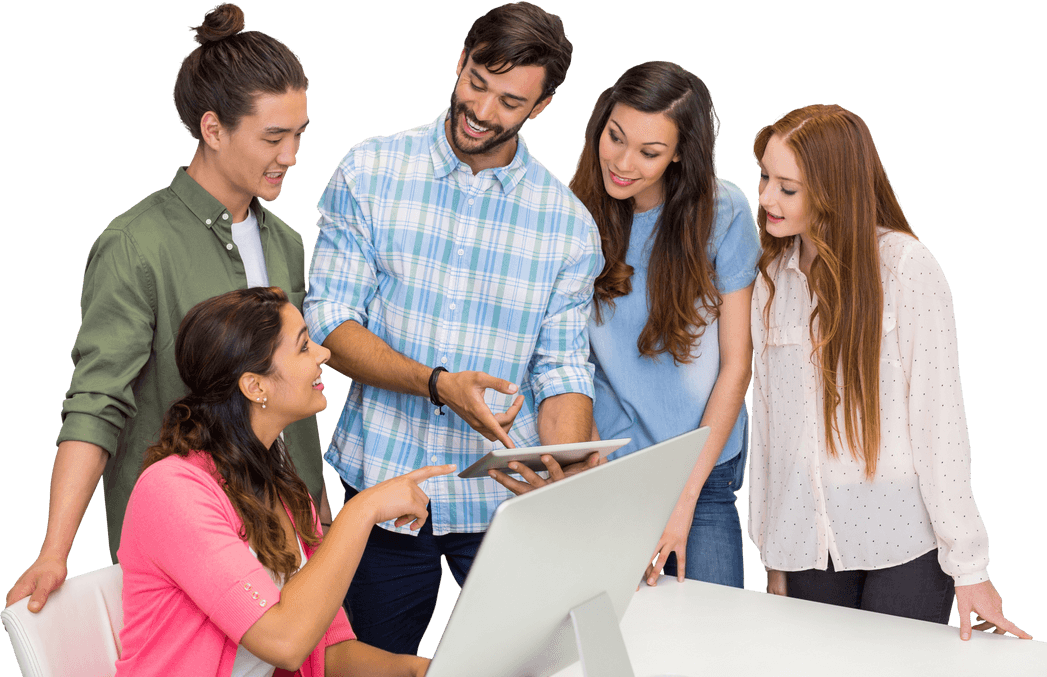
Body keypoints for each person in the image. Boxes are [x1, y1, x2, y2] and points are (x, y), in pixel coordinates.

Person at [6, 2, 329, 614]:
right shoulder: (135, 246)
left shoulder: (285, 243)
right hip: (193, 550)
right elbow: (97, 402)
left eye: (299, 135)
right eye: (273, 137)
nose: (291, 155)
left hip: (293, 532)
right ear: (212, 129)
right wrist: (54, 549)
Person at [303, 1, 602, 653]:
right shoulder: (370, 172)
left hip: (506, 503)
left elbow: (562, 368)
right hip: (385, 483)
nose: (485, 111)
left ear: (543, 105)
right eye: (477, 83)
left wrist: (567, 465)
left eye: (511, 101)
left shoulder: (567, 224)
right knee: (375, 664)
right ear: (460, 61)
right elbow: (329, 320)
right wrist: (437, 384)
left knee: (544, 661)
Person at [747, 104, 1030, 641]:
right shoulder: (771, 281)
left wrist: (970, 568)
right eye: (765, 177)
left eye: (788, 187)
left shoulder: (905, 268)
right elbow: (768, 424)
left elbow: (940, 422)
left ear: (835, 188)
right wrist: (772, 548)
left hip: (904, 542)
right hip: (806, 543)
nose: (765, 199)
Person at [493, 62, 759, 589]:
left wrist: (683, 500)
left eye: (650, 152)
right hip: (611, 468)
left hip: (700, 474)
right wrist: (595, 472)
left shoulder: (723, 211)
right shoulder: (571, 218)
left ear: (680, 153)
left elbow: (737, 365)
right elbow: (569, 359)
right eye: (615, 138)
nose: (622, 162)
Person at [115, 286, 449, 676]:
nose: (324, 353)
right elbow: (285, 643)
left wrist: (423, 670)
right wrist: (362, 509)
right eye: (304, 346)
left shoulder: (285, 492)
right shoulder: (172, 491)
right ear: (256, 386)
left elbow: (328, 652)